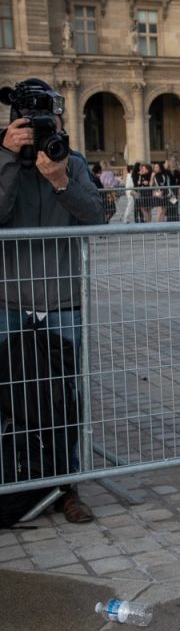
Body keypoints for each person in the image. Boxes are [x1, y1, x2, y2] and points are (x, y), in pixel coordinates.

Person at [0, 78, 104, 522]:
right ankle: (15, 479)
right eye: (36, 120)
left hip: (62, 303)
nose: (46, 129)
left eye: (51, 118)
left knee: (65, 397)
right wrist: (7, 159)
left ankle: (67, 486)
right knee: (10, 395)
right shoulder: (2, 162)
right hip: (9, 302)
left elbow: (96, 216)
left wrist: (61, 181)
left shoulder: (72, 162)